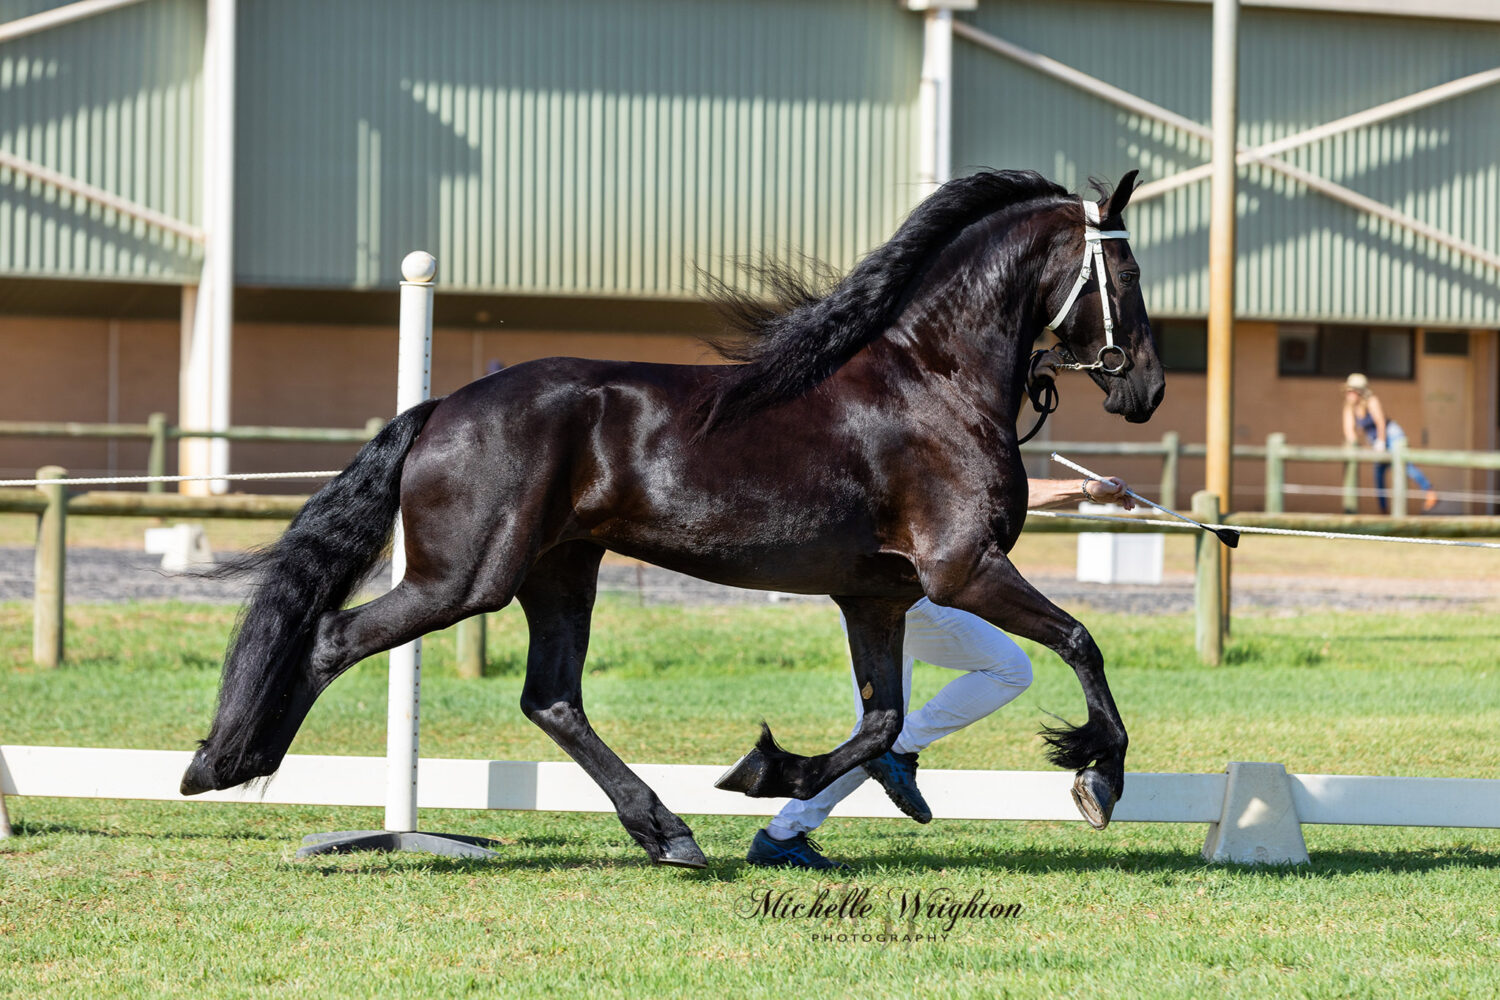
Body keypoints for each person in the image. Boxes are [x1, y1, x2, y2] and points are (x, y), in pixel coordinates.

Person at [746, 474, 1137, 869]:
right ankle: (891, 751)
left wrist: (1085, 490)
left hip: (866, 594)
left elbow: (991, 485)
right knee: (1006, 670)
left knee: (873, 731)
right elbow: (985, 484)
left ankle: (784, 835)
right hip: (905, 596)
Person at [1341, 373, 1437, 514]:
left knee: (1404, 466)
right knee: (1378, 475)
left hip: (1392, 437)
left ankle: (1429, 491)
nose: (1349, 394)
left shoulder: (1372, 401)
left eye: (1352, 391)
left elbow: (1380, 423)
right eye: (1348, 391)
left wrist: (1381, 441)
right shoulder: (1350, 407)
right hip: (1377, 442)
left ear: (1360, 391)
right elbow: (1349, 430)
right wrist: (1354, 445)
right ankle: (1384, 510)